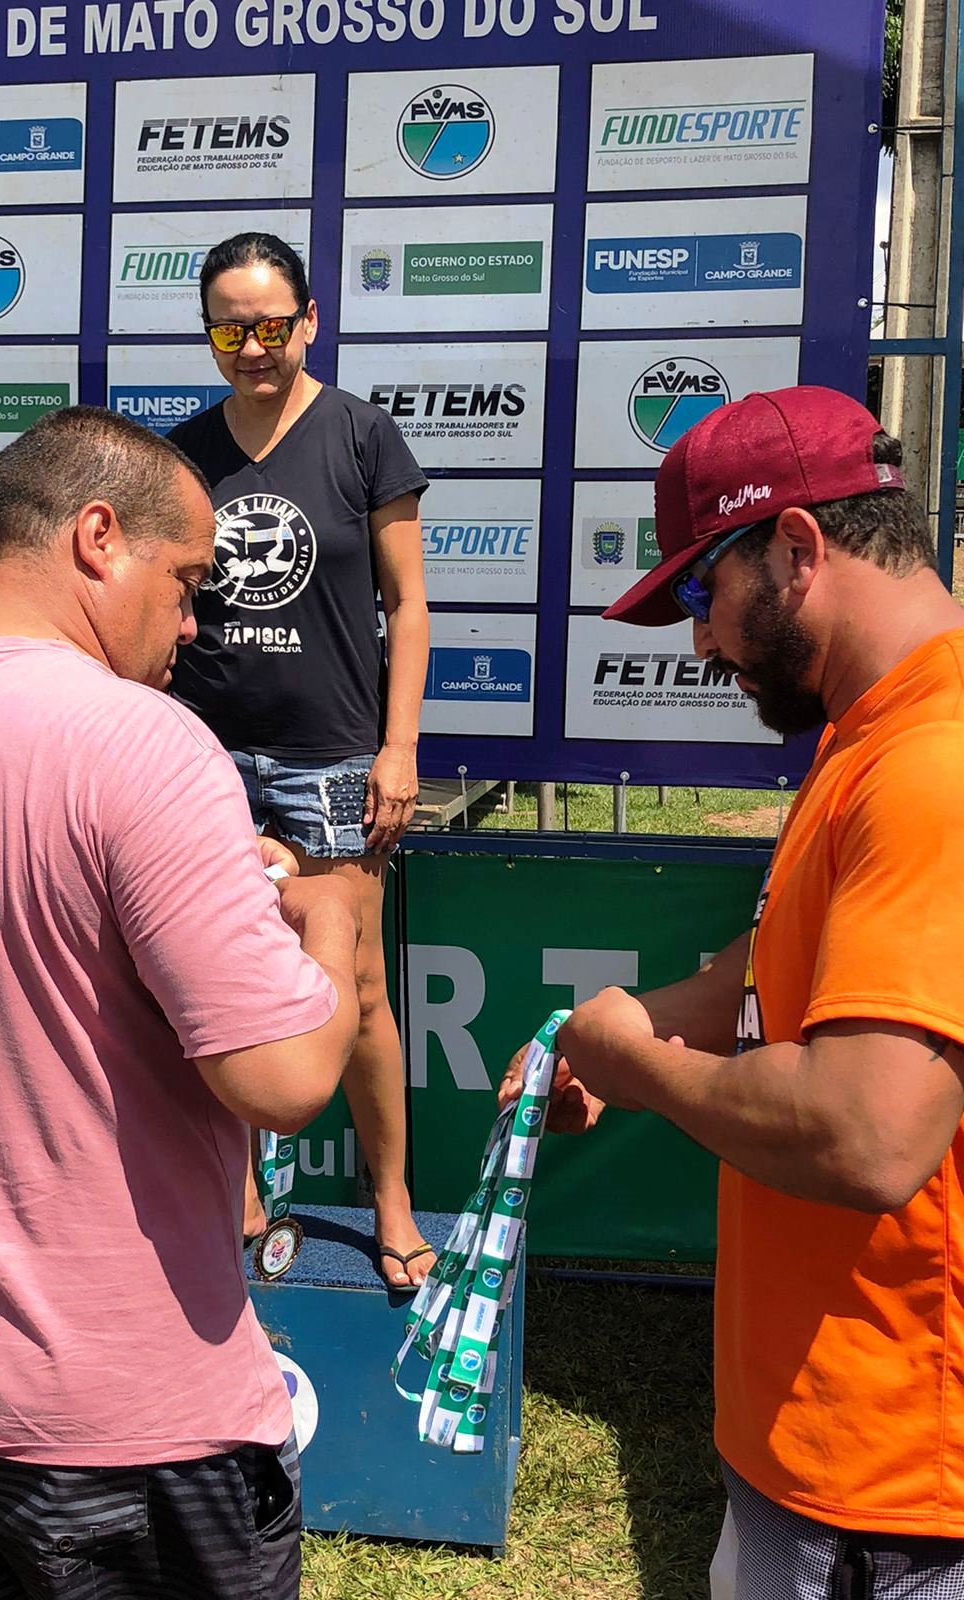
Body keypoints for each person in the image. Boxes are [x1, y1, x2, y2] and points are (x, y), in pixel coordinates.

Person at [0, 405, 361, 1600]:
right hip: (125, 1422)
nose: (195, 621)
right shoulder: (145, 744)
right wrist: (339, 926)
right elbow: (286, 1079)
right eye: (186, 580)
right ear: (98, 538)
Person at [501, 387, 964, 1598]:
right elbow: (757, 987)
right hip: (820, 1444)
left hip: (898, 1485)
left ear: (799, 549)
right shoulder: (867, 739)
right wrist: (617, 1035)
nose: (698, 643)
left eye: (704, 594)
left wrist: (638, 1064)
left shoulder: (931, 767)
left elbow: (866, 1134)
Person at [168, 232, 434, 1289]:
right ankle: (236, 1190)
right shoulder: (183, 454)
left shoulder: (365, 436)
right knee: (212, 979)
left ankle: (393, 1199)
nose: (252, 347)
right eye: (230, 328)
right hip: (208, 756)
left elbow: (408, 605)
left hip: (334, 756)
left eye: (271, 325)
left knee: (359, 991)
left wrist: (398, 746)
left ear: (310, 319)